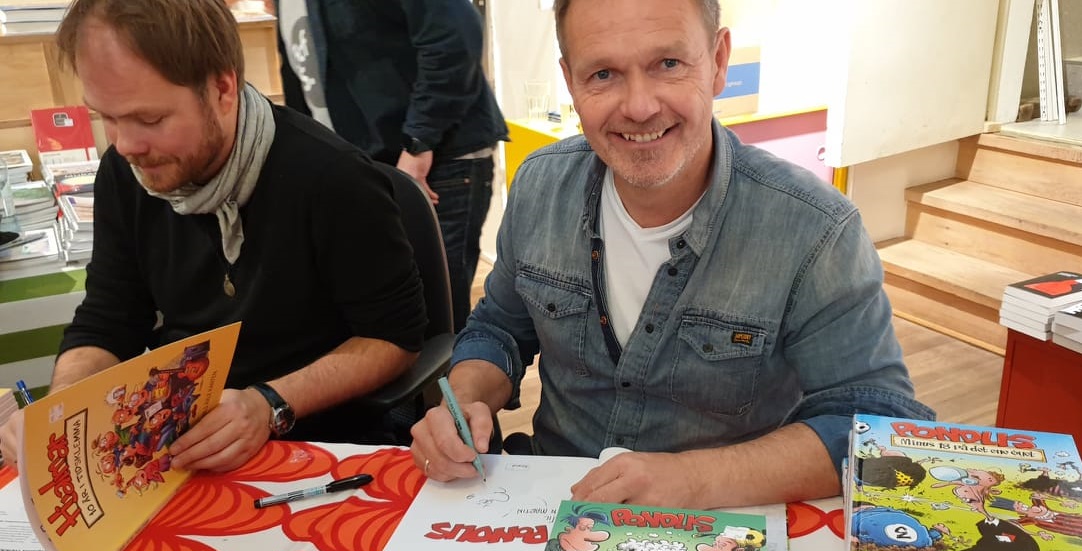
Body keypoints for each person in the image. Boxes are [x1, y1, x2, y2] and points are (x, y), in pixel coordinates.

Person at [409, 0, 934, 509]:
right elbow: (501, 326)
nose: (639, 107)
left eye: (668, 63)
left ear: (718, 62)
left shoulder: (814, 228)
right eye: (603, 74)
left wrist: (695, 480)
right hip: (551, 504)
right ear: (571, 81)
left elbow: (878, 428)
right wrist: (465, 398)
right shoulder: (540, 186)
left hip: (724, 527)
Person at [0, 0, 427, 473]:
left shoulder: (333, 178)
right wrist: (61, 410)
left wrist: (268, 404)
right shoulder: (124, 175)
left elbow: (395, 338)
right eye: (107, 117)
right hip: (184, 445)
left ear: (222, 90)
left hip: (320, 445)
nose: (125, 145)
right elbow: (108, 320)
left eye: (150, 119)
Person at [273, 0, 509, 332]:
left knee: (433, 325)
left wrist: (418, 143)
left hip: (434, 160)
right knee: (386, 315)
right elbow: (303, 77)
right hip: (368, 168)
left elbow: (456, 37)